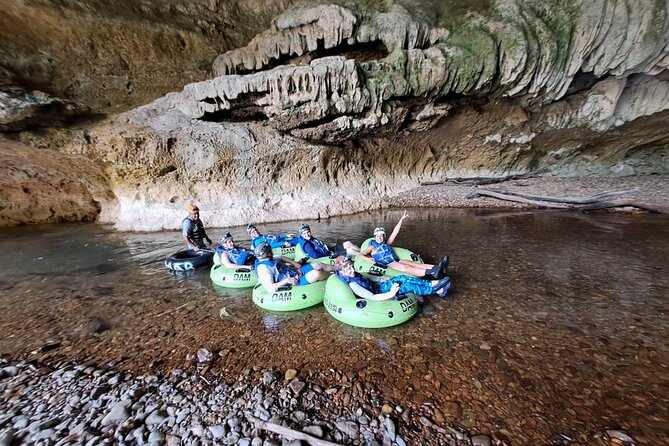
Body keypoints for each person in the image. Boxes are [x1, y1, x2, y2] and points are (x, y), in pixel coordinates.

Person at [357, 211, 448, 279]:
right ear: (375, 236)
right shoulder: (372, 247)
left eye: (381, 236)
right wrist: (369, 260)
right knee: (408, 268)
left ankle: (438, 267)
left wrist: (401, 219)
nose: (380, 238)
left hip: (397, 261)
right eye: (378, 236)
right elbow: (360, 255)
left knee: (415, 264)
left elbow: (395, 232)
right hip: (388, 265)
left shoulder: (386, 243)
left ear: (384, 236)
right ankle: (432, 272)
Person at [336, 256, 451, 300]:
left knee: (402, 277)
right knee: (406, 286)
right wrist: (391, 294)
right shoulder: (353, 284)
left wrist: (382, 280)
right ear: (343, 272)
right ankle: (435, 289)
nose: (352, 270)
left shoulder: (353, 275)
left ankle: (433, 284)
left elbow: (369, 281)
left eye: (351, 267)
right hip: (380, 293)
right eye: (349, 269)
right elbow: (372, 297)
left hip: (379, 287)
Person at [254, 242, 330, 293]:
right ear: (267, 254)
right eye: (270, 250)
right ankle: (332, 276)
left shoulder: (271, 258)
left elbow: (281, 257)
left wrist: (295, 264)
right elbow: (270, 288)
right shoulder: (263, 269)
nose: (272, 251)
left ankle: (336, 269)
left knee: (318, 265)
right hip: (294, 282)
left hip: (294, 273)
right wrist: (287, 280)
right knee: (315, 274)